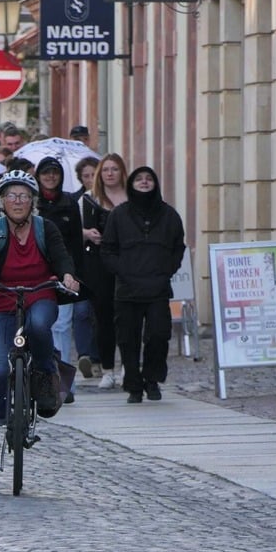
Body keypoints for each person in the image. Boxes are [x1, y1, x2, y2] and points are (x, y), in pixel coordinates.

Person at [0, 170, 80, 471]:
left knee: (39, 326)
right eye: (12, 196)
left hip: (40, 295)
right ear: (2, 201)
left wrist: (67, 276)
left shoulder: (45, 228)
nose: (18, 201)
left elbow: (62, 256)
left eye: (24, 196)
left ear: (33, 201)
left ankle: (44, 376)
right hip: (2, 300)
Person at [100, 166, 185, 404]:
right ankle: (134, 385)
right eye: (139, 178)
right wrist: (121, 270)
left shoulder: (169, 215)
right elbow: (107, 249)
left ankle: (152, 379)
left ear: (156, 183)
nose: (144, 182)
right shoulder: (119, 214)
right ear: (131, 184)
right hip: (127, 288)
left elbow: (179, 246)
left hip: (157, 286)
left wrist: (167, 269)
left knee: (158, 335)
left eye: (149, 178)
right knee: (128, 339)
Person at [35, 157, 90, 404]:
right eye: (45, 172)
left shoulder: (69, 203)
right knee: (39, 327)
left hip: (65, 273)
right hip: (36, 273)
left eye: (54, 172)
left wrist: (76, 274)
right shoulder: (32, 203)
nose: (50, 177)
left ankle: (64, 383)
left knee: (62, 327)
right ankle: (42, 378)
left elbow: (76, 244)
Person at [81, 153, 129, 388]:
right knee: (103, 318)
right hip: (98, 263)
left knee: (127, 317)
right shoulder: (90, 198)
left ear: (122, 172)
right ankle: (108, 369)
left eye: (115, 169)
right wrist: (87, 233)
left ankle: (127, 367)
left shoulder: (132, 198)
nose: (110, 174)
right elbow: (75, 228)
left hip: (128, 262)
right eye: (107, 169)